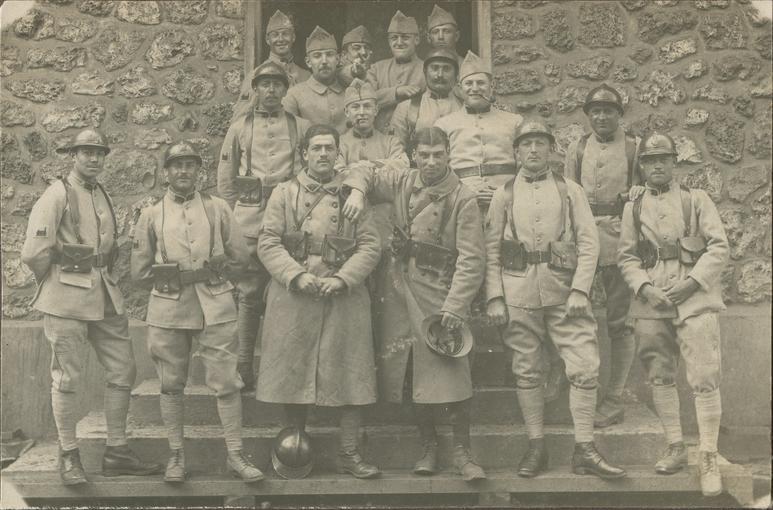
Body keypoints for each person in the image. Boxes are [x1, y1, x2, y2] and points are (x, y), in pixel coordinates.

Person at [342, 127, 487, 481]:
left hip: (440, 293)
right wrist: (359, 192)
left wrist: (455, 306)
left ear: (449, 155)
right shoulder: (403, 180)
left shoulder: (462, 198)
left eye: (438, 154)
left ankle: (462, 452)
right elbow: (361, 169)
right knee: (412, 373)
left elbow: (472, 259)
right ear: (415, 155)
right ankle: (428, 447)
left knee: (452, 372)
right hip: (399, 289)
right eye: (425, 155)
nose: (432, 162)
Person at [485, 120, 626, 480]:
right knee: (527, 371)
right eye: (526, 144)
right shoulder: (504, 194)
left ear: (551, 150)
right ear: (516, 152)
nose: (533, 150)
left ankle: (584, 448)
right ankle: (536, 446)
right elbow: (490, 251)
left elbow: (589, 242)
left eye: (540, 144)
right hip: (518, 294)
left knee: (584, 368)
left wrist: (580, 288)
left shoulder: (570, 191)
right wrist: (495, 297)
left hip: (566, 294)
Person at [21, 129, 162, 485]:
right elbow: (34, 253)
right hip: (66, 295)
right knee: (67, 377)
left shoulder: (101, 193)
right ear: (74, 155)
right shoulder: (58, 194)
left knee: (123, 370)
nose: (94, 159)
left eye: (99, 152)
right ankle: (69, 455)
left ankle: (116, 452)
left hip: (103, 293)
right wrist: (55, 282)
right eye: (86, 152)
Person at [131, 142, 263, 484]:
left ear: (198, 171)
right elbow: (139, 271)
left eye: (190, 165)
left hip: (215, 303)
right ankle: (176, 455)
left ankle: (235, 454)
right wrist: (170, 279)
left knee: (227, 383)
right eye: (176, 165)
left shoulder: (218, 208)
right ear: (166, 173)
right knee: (171, 385)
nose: (183, 171)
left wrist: (215, 276)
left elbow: (240, 258)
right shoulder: (151, 214)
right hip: (168, 308)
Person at [256, 124, 382, 479]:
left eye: (330, 147)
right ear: (304, 154)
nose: (323, 154)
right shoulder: (284, 193)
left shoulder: (354, 197)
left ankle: (349, 453)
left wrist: (344, 278)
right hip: (294, 293)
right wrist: (296, 275)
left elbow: (371, 245)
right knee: (292, 370)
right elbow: (267, 241)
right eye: (316, 148)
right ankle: (294, 449)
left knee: (351, 372)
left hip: (343, 295)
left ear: (338, 153)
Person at [618, 133, 729, 497]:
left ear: (674, 163)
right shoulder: (633, 207)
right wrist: (644, 287)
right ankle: (676, 445)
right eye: (650, 161)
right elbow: (627, 256)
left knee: (704, 375)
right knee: (659, 373)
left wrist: (694, 282)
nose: (658, 166)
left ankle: (709, 453)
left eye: (664, 159)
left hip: (694, 296)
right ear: (643, 167)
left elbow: (719, 247)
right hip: (653, 297)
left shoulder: (696, 200)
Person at [218, 61, 309, 392]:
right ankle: (244, 363)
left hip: (287, 214)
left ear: (286, 90)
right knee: (249, 290)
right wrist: (229, 220)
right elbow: (226, 180)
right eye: (265, 84)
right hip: (250, 215)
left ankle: (284, 366)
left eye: (277, 84)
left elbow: (307, 172)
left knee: (287, 288)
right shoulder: (239, 127)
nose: (271, 90)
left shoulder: (300, 125)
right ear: (254, 89)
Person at [564, 84, 641, 428]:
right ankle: (580, 390)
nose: (601, 116)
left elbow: (645, 196)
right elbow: (565, 195)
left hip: (618, 240)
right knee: (577, 314)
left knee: (620, 321)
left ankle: (615, 395)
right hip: (582, 240)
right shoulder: (577, 147)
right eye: (595, 110)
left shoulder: (633, 148)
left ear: (619, 114)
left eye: (608, 110)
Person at [434, 51, 522, 212]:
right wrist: (463, 193)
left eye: (481, 83)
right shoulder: (444, 124)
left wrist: (505, 193)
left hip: (508, 202)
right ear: (460, 88)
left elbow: (524, 167)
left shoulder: (514, 121)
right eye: (469, 83)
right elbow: (439, 169)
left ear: (492, 86)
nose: (475, 88)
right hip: (460, 202)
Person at [231, 10, 310, 122]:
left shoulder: (306, 76)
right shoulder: (256, 75)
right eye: (275, 35)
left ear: (293, 37)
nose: (281, 39)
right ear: (268, 40)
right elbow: (241, 118)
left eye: (285, 34)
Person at [390, 48, 463, 154]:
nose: (440, 75)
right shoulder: (406, 108)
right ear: (425, 72)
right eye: (434, 68)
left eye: (446, 69)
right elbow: (396, 150)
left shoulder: (463, 106)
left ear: (456, 75)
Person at [367, 10, 426, 132]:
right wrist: (396, 92)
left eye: (405, 37)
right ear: (389, 41)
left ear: (417, 40)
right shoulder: (376, 69)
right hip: (378, 138)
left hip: (413, 139)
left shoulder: (427, 70)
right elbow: (366, 100)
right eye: (394, 38)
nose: (399, 42)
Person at [283, 26, 347, 134]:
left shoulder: (349, 91)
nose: (324, 61)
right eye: (317, 56)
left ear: (337, 59)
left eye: (329, 55)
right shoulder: (294, 95)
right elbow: (290, 136)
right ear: (308, 62)